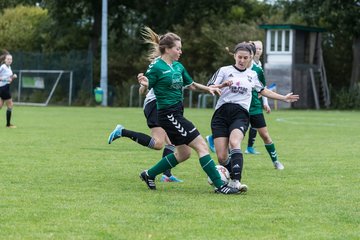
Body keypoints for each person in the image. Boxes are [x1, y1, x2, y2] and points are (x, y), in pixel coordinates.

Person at [137, 26, 240, 194]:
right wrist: (143, 83)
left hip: (177, 113)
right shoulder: (156, 67)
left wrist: (209, 88)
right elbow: (146, 86)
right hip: (168, 115)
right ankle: (220, 186)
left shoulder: (178, 67)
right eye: (178, 48)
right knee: (202, 147)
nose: (180, 51)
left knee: (183, 153)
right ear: (168, 49)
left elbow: (191, 85)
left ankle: (148, 174)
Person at [207, 42, 299, 190]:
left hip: (241, 114)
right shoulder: (224, 70)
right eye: (239, 57)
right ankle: (228, 174)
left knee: (235, 142)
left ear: (250, 57)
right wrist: (221, 86)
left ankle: (236, 181)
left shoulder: (253, 74)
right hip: (221, 114)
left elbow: (263, 90)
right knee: (222, 157)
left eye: (245, 57)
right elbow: (210, 86)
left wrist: (283, 98)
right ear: (235, 56)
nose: (242, 60)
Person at [107, 84, 183, 182]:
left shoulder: (176, 69)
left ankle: (167, 175)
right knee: (158, 144)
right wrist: (145, 85)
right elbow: (142, 90)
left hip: (166, 105)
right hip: (156, 105)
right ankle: (122, 132)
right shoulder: (158, 69)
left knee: (171, 141)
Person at [0, 50, 17, 128]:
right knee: (10, 105)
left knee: (0, 105)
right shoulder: (3, 67)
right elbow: (4, 79)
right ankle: (8, 124)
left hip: (5, 87)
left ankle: (8, 124)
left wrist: (12, 77)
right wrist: (7, 79)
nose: (10, 60)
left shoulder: (9, 67)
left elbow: (9, 80)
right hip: (3, 88)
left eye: (11, 59)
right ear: (5, 60)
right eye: (8, 59)